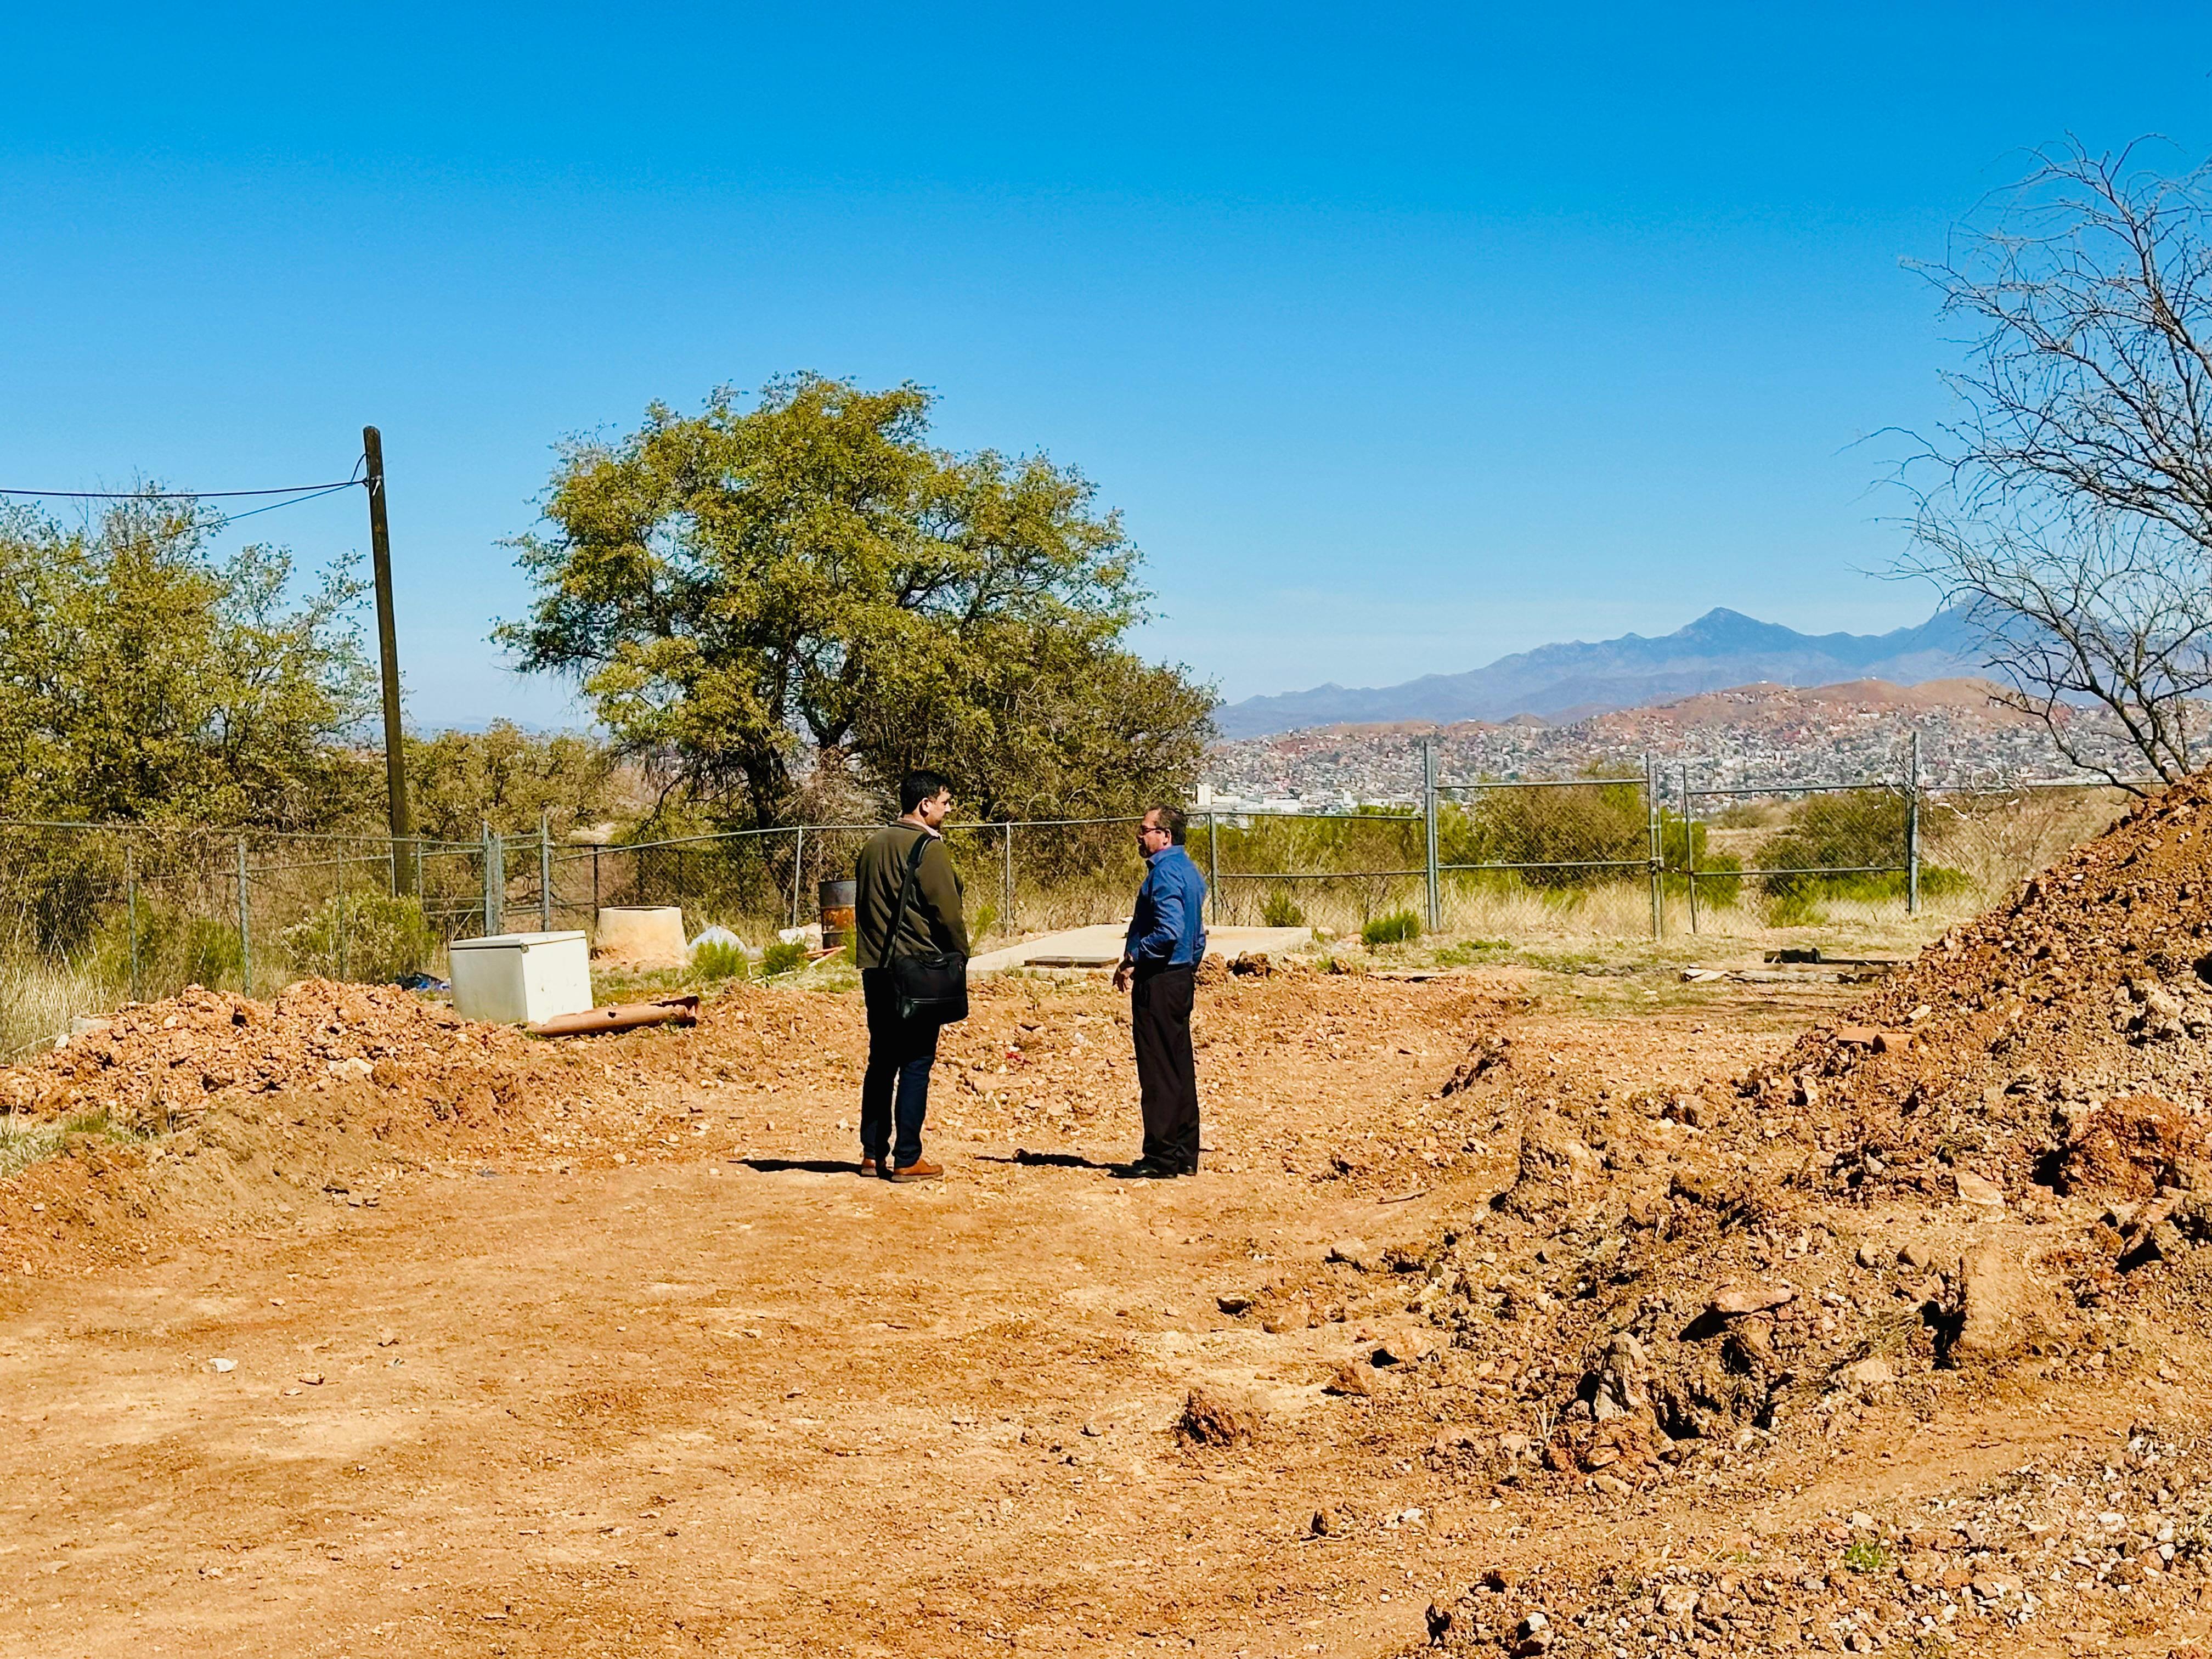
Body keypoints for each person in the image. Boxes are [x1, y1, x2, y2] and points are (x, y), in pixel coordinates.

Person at [854, 770, 968, 1182]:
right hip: (917, 972)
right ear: (925, 805)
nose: (949, 809)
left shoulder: (872, 845)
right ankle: (907, 1158)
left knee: (881, 1061)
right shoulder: (928, 847)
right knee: (917, 1063)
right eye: (945, 801)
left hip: (876, 969)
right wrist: (961, 954)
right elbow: (948, 912)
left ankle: (871, 1154)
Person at [1110, 804, 1209, 1177]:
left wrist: (1135, 956)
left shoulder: (1165, 875)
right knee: (1179, 1064)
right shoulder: (1190, 871)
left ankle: (1161, 1157)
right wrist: (1189, 965)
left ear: (1164, 836)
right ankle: (1184, 1152)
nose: (1140, 835)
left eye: (1145, 829)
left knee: (1158, 1069)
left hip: (1160, 979)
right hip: (1180, 977)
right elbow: (1195, 934)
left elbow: (1169, 930)